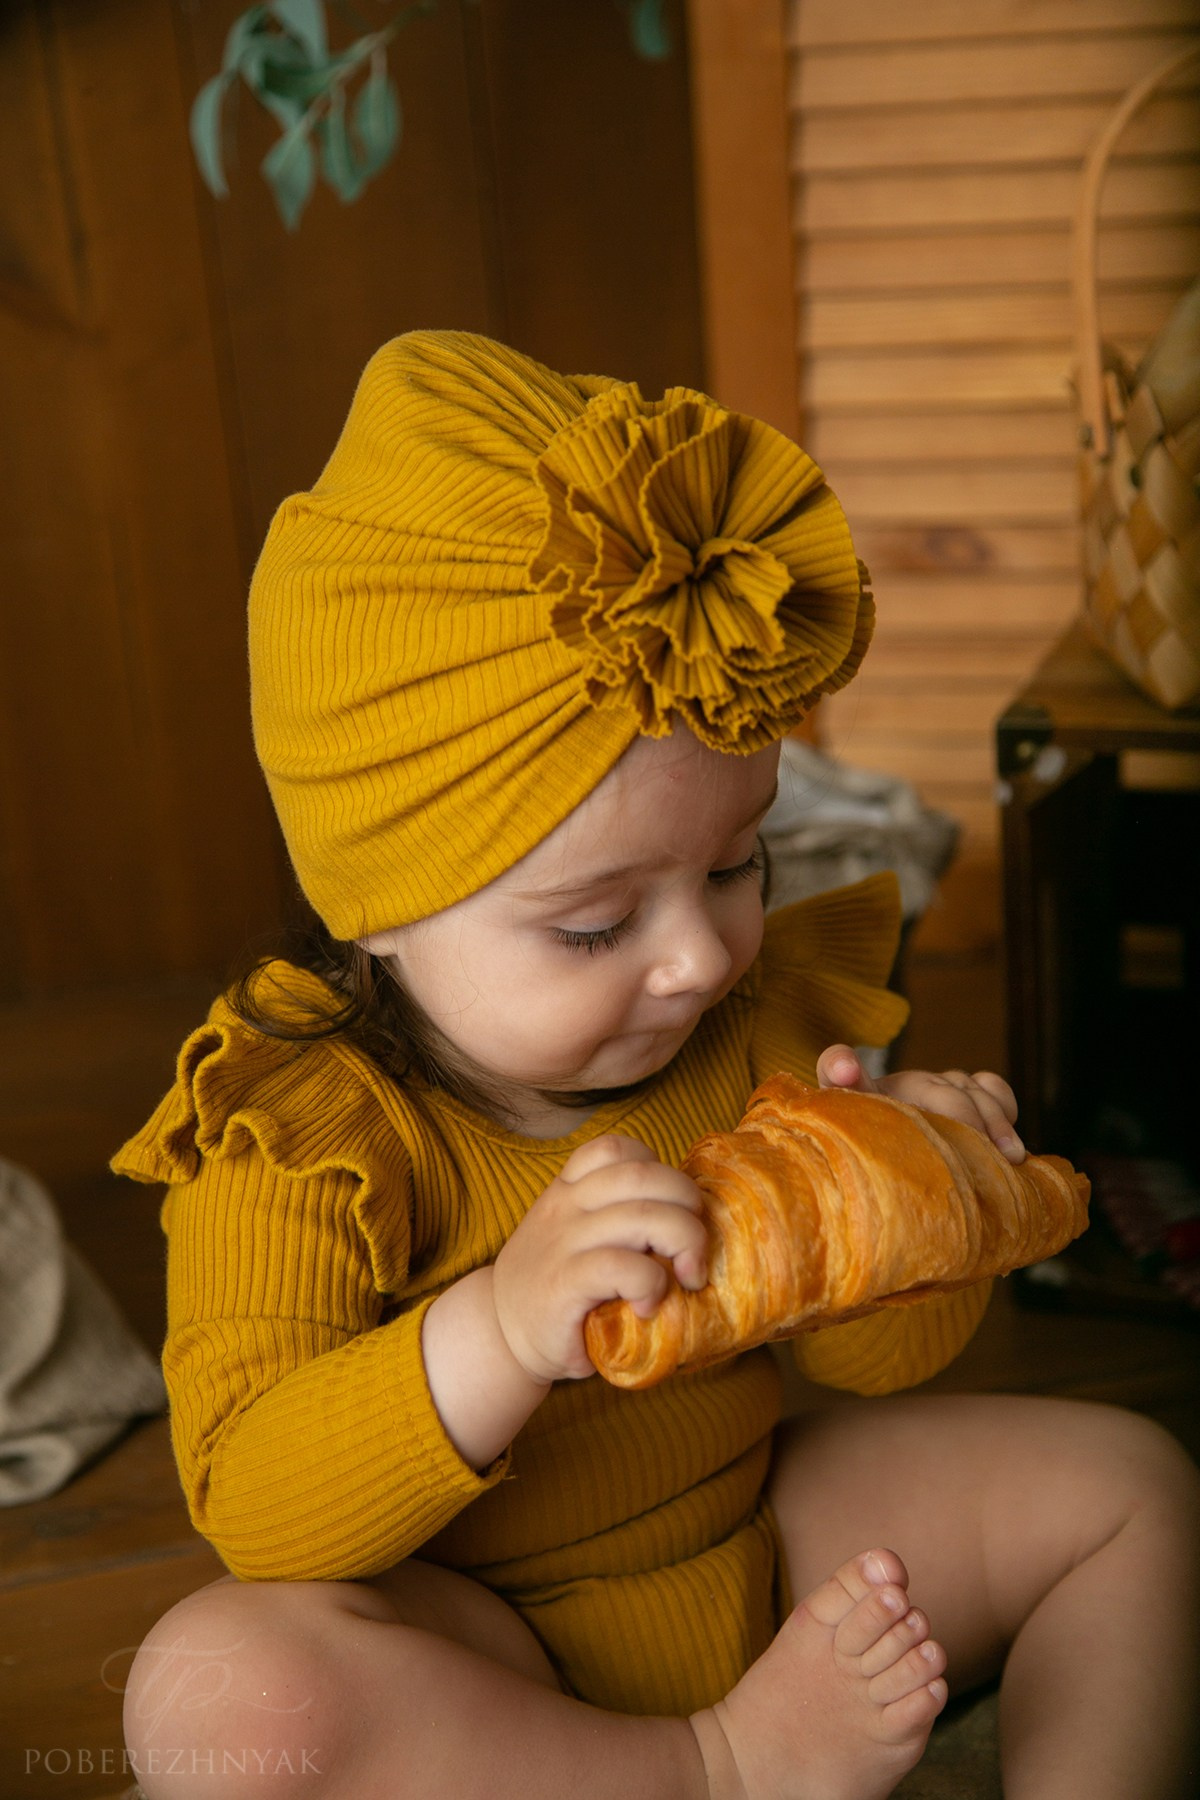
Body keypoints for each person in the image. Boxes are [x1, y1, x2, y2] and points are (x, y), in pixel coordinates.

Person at [114, 334, 1199, 1800]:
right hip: (490, 1651)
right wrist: (498, 1332)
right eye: (597, 923)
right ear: (375, 913)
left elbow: (858, 1363)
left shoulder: (737, 1022)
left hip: (757, 1527)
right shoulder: (302, 1132)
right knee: (213, 1695)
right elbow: (258, 1503)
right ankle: (705, 1769)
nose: (697, 957)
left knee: (1134, 1491)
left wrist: (925, 1219)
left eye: (737, 862)